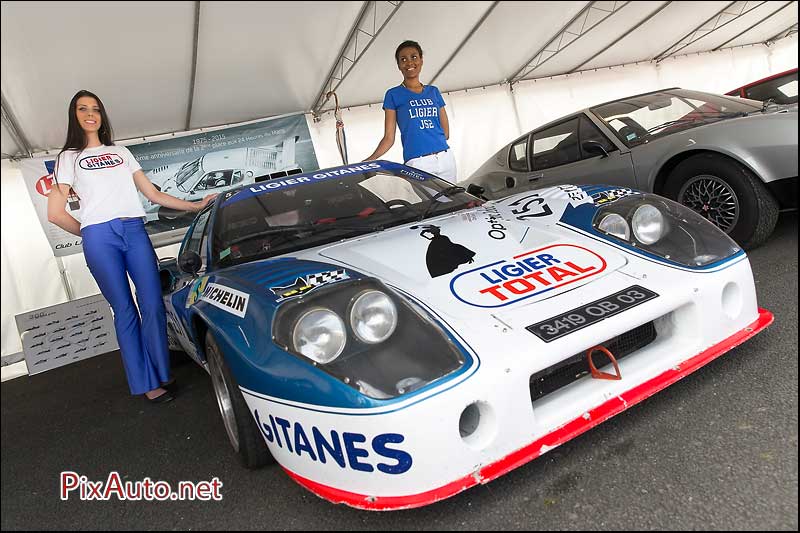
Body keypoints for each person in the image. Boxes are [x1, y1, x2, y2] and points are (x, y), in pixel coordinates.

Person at [47, 90, 217, 404]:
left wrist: (196, 206)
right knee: (125, 310)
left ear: (102, 115)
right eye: (82, 109)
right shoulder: (68, 157)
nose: (90, 114)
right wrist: (90, 234)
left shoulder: (121, 152)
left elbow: (153, 195)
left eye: (95, 109)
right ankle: (147, 384)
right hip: (99, 237)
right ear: (74, 116)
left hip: (134, 230)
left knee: (152, 302)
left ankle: (161, 372)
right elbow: (55, 213)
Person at [364, 40, 457, 181]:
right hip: (418, 163)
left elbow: (446, 132)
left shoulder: (433, 91)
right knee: (428, 203)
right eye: (403, 59)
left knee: (455, 201)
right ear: (399, 66)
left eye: (414, 57)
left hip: (445, 157)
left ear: (421, 60)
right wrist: (371, 159)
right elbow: (389, 138)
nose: (409, 63)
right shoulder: (393, 95)